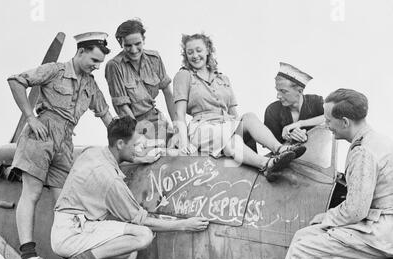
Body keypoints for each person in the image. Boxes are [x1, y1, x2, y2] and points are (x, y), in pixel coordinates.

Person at [51, 116, 209, 259]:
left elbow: (112, 160)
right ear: (120, 144)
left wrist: (137, 158)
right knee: (143, 236)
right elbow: (141, 220)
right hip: (72, 233)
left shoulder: (92, 152)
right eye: (135, 146)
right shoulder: (110, 180)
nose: (139, 150)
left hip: (68, 225)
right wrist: (184, 225)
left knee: (127, 254)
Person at [7, 32, 114, 259]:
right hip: (40, 136)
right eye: (94, 61)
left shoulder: (91, 85)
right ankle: (28, 255)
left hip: (65, 143)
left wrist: (128, 142)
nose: (96, 67)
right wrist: (30, 117)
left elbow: (107, 117)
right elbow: (16, 81)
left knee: (66, 204)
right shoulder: (54, 70)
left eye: (100, 63)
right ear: (81, 52)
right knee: (31, 193)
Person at [269, 88, 393, 259]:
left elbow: (356, 210)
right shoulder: (379, 141)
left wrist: (327, 218)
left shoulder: (363, 151)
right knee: (302, 234)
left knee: (302, 252)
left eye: (329, 120)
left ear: (345, 122)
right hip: (381, 225)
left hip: (382, 233)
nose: (327, 125)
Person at [172, 33, 306, 178]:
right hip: (203, 127)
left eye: (199, 50)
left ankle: (280, 149)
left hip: (226, 123)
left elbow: (233, 113)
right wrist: (184, 143)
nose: (195, 55)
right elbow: (179, 114)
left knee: (249, 117)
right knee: (230, 139)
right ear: (185, 55)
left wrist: (241, 129)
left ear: (208, 50)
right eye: (189, 52)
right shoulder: (184, 75)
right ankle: (266, 164)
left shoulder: (222, 78)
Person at [105, 19, 174, 144]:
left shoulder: (154, 59)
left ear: (144, 40)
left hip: (157, 120)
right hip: (132, 126)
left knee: (179, 149)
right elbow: (123, 108)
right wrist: (139, 139)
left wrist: (178, 126)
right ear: (121, 43)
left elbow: (168, 93)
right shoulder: (114, 66)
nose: (133, 50)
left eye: (138, 44)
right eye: (128, 45)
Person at [264, 62, 325, 143]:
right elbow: (271, 145)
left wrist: (300, 124)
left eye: (283, 91)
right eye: (277, 90)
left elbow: (332, 118)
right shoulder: (272, 110)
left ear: (300, 91)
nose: (278, 96)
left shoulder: (316, 101)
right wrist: (291, 140)